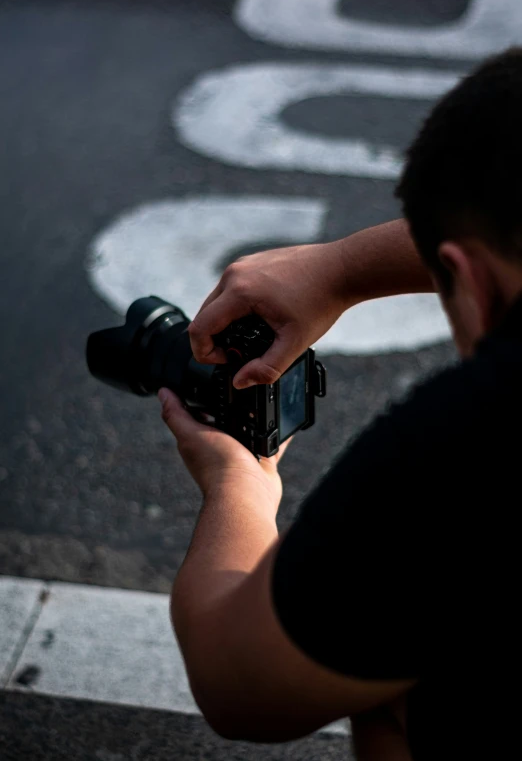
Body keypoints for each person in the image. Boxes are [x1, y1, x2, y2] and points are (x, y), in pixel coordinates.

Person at [158, 48, 522, 760]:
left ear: (466, 283)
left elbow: (239, 685)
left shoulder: (471, 439)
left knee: (382, 676)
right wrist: (343, 267)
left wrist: (240, 486)